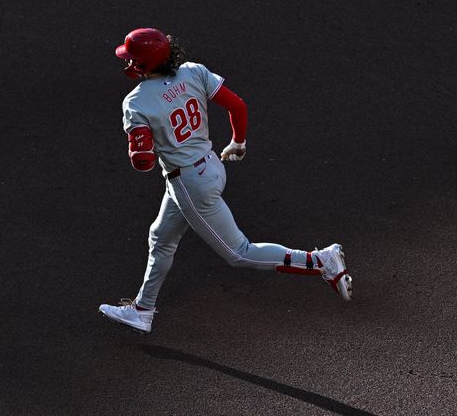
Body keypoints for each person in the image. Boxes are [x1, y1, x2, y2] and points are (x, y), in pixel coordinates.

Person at [98, 28, 352, 334]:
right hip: (212, 166)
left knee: (239, 253)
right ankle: (143, 309)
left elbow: (143, 161)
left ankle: (320, 261)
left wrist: (141, 149)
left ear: (141, 64)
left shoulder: (136, 102)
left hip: (190, 184)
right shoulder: (193, 71)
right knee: (161, 237)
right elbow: (237, 106)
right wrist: (238, 143)